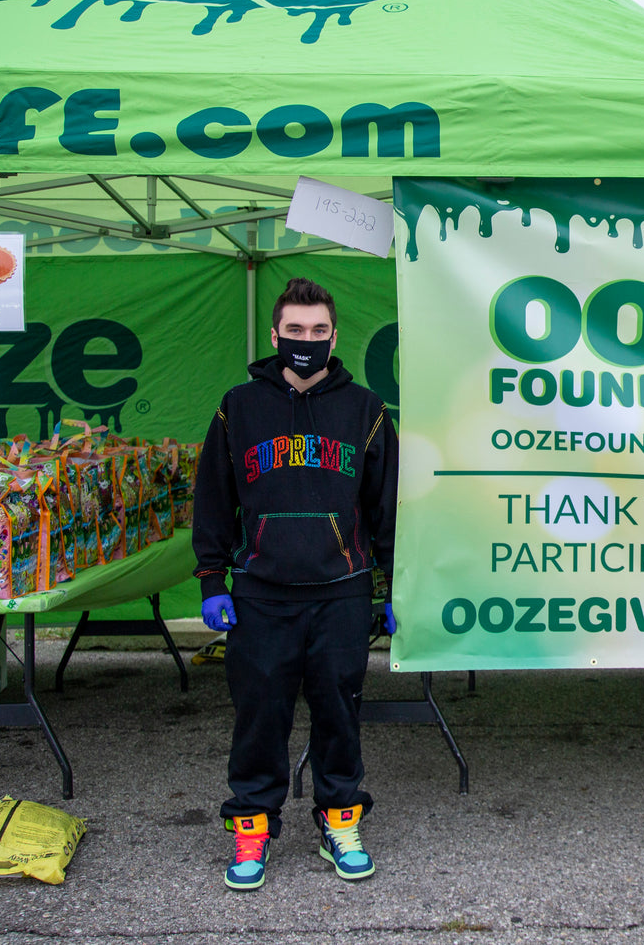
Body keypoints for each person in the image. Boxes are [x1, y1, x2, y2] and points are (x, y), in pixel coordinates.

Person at [192, 276, 399, 891]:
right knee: (259, 715)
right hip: (260, 591)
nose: (305, 341)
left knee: (340, 713)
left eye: (317, 331)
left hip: (342, 589)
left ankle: (341, 822)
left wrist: (392, 589)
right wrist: (211, 580)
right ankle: (252, 828)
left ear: (335, 337)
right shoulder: (239, 406)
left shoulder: (365, 409)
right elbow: (212, 498)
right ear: (276, 334)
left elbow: (385, 507)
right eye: (294, 331)